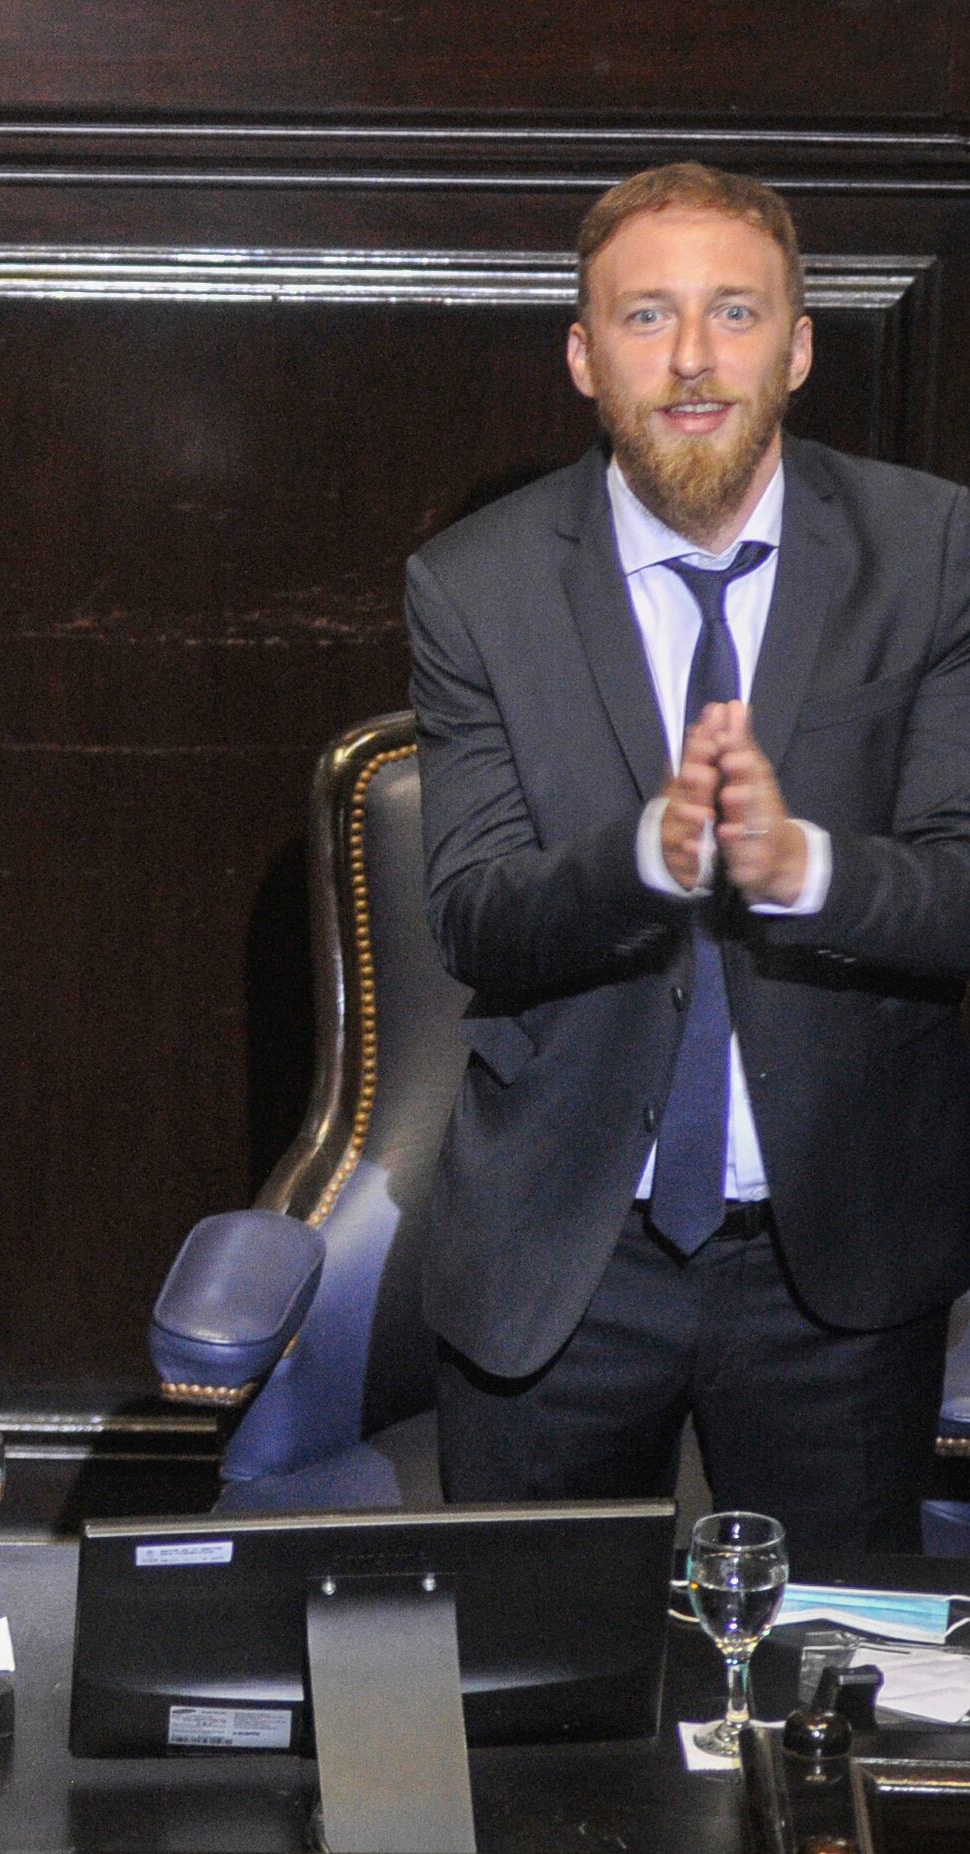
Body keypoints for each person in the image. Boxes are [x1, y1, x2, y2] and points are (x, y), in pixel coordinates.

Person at [408, 163, 970, 1553]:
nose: (695, 358)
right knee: (530, 1669)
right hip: (565, 1252)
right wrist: (645, 859)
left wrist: (802, 867)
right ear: (585, 357)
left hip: (834, 1258)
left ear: (798, 346)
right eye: (648, 317)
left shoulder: (933, 550)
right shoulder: (474, 582)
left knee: (820, 1667)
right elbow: (474, 915)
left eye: (735, 312)